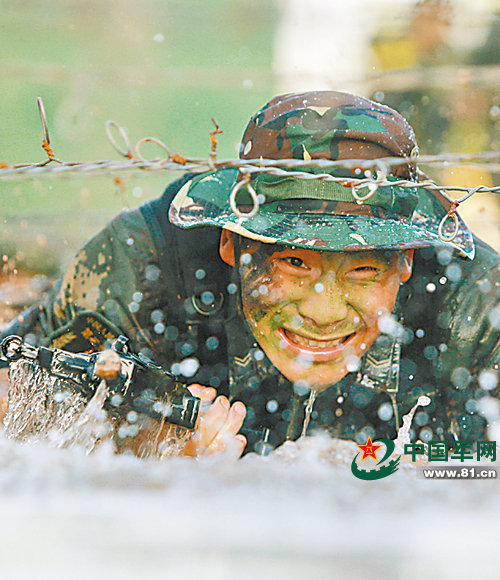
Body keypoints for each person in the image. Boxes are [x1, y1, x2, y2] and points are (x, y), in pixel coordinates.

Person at [2, 90, 500, 458]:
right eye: (294, 263)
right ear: (230, 241)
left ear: (408, 258)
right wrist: (138, 446)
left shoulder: (475, 301)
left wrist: (433, 470)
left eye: (365, 269)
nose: (323, 312)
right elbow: (13, 401)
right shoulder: (146, 265)